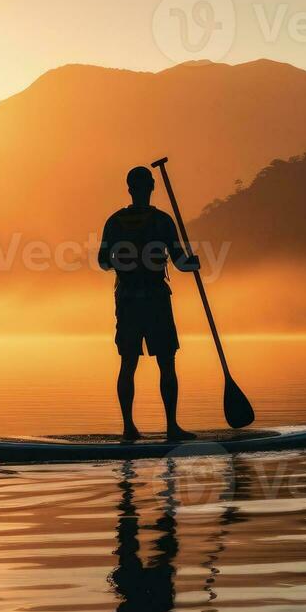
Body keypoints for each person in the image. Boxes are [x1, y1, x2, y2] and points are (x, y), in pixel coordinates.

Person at [99, 166, 201, 442]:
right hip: (155, 300)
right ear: (152, 186)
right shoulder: (162, 221)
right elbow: (180, 262)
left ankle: (129, 428)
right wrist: (194, 263)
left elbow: (102, 261)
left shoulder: (115, 222)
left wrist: (124, 261)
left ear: (130, 188)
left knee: (128, 362)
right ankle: (171, 427)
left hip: (128, 300)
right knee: (166, 362)